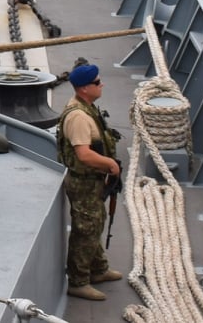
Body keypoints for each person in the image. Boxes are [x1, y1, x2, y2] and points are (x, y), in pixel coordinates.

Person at [56, 63, 123, 301]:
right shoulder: (78, 117)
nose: (101, 84)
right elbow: (83, 154)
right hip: (83, 182)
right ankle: (78, 281)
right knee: (86, 229)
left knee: (95, 223)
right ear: (84, 88)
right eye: (97, 82)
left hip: (92, 179)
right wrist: (110, 164)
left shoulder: (87, 108)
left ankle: (98, 268)